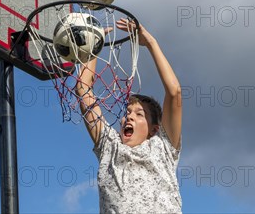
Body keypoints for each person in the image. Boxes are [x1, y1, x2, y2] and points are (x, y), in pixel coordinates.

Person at [76, 18, 183, 213]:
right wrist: (96, 43)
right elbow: (83, 90)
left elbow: (174, 92)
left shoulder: (163, 148)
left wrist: (150, 42)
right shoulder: (110, 146)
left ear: (154, 129)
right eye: (127, 113)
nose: (129, 117)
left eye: (139, 114)